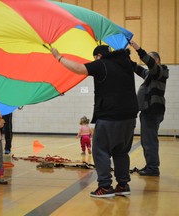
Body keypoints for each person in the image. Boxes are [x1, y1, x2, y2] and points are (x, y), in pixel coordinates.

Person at [51, 45, 138, 198]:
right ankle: (123, 185)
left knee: (100, 150)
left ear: (98, 56)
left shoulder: (101, 64)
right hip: (130, 117)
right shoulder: (125, 64)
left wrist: (59, 57)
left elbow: (79, 68)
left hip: (110, 116)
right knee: (121, 151)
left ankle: (104, 187)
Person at [130, 41, 169, 176]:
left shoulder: (160, 71)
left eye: (151, 59)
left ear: (157, 60)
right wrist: (124, 58)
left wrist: (138, 49)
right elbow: (137, 69)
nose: (148, 62)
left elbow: (149, 64)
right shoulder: (150, 75)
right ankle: (151, 166)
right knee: (147, 140)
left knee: (149, 140)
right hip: (148, 111)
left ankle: (152, 168)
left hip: (152, 111)